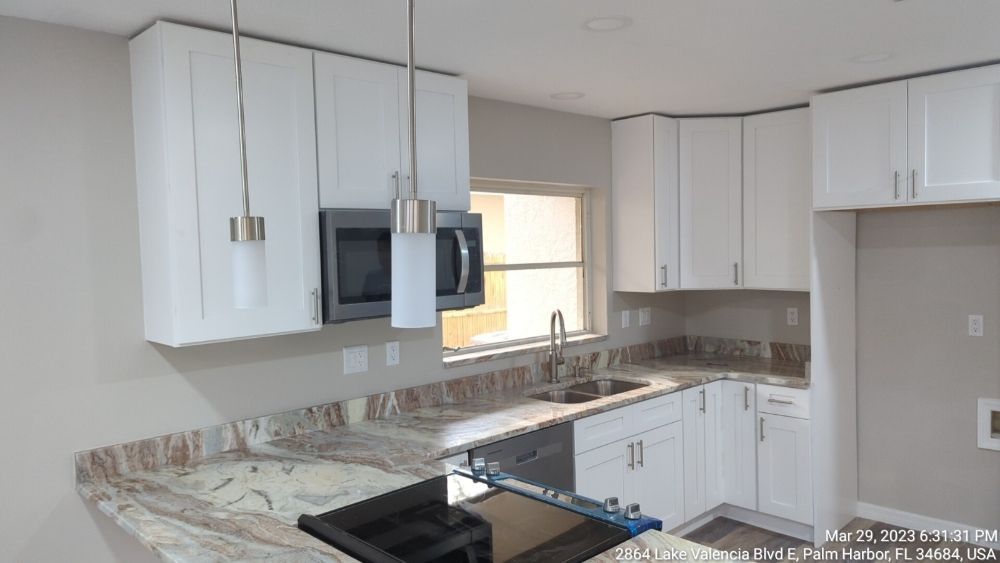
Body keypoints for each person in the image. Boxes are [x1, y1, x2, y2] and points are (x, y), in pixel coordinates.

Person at [362, 231, 391, 300]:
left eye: (387, 250)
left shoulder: (404, 278)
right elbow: (365, 303)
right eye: (380, 250)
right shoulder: (371, 277)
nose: (383, 255)